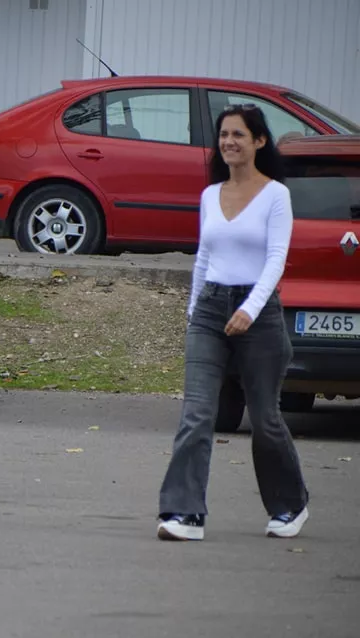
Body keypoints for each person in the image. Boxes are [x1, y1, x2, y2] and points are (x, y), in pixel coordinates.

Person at [156, 104, 309, 541]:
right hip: (209, 310)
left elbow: (277, 257)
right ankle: (184, 514)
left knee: (265, 419)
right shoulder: (210, 195)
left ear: (259, 141)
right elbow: (205, 257)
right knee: (197, 413)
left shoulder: (275, 194)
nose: (229, 142)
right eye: (224, 135)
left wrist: (251, 308)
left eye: (238, 135)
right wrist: (193, 311)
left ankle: (290, 505)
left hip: (258, 315)